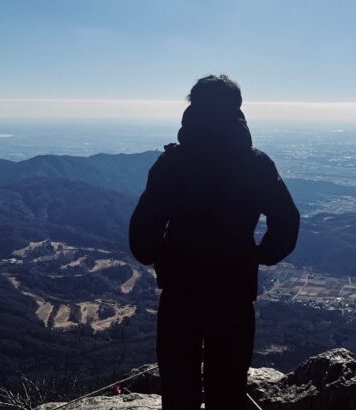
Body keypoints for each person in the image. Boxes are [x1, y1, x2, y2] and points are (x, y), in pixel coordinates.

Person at [129, 74, 300, 409]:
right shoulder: (255, 163)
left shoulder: (173, 163)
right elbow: (287, 219)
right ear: (237, 110)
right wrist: (261, 255)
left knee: (179, 386)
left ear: (193, 107)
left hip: (181, 290)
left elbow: (143, 229)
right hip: (234, 289)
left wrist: (157, 254)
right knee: (228, 386)